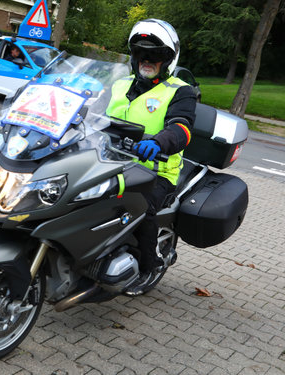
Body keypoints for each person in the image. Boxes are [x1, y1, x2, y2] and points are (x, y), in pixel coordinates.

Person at [106, 19, 197, 295]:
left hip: (155, 172)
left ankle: (150, 265)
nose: (147, 59)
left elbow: (182, 128)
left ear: (167, 59)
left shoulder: (180, 91)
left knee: (138, 207)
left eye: (155, 55)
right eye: (140, 53)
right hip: (109, 163)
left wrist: (158, 142)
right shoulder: (119, 84)